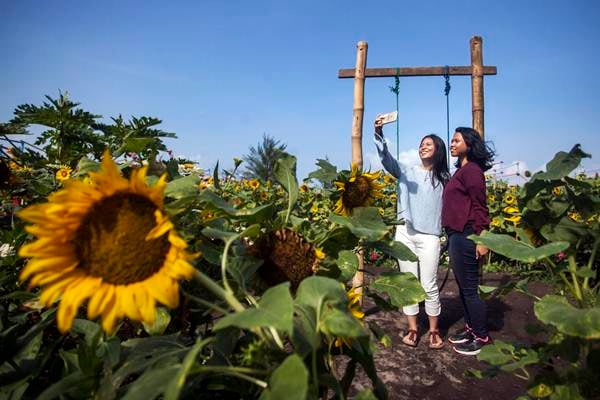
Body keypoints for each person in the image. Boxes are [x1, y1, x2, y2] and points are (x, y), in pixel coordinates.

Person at [374, 117, 450, 349]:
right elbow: (386, 159)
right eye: (421, 143)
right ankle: (414, 328)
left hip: (430, 237)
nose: (423, 146)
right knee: (408, 283)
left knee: (429, 284)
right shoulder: (405, 171)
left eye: (429, 144)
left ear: (438, 150)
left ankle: (434, 330)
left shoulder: (445, 179)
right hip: (405, 233)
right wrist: (378, 133)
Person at [443, 127, 494, 356]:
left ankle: (482, 336)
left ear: (469, 144)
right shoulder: (461, 171)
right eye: (451, 141)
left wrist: (482, 238)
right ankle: (472, 329)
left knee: (470, 290)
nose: (452, 144)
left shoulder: (472, 170)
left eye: (456, 141)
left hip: (467, 234)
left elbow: (480, 206)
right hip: (457, 234)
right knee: (464, 288)